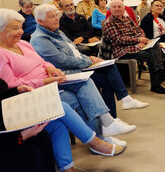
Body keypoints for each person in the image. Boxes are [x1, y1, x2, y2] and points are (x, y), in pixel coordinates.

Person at [0, 9, 130, 168]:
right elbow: (11, 86)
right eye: (15, 28)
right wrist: (44, 81)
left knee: (84, 86)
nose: (21, 31)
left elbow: (43, 61)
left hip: (50, 84)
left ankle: (72, 164)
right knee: (75, 101)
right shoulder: (2, 54)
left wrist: (49, 68)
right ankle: (97, 140)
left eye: (21, 27)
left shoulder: (24, 44)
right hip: (32, 94)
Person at [31, 4, 149, 117]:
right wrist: (88, 61)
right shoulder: (41, 39)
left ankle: (120, 106)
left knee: (109, 65)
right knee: (107, 78)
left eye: (57, 15)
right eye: (52, 17)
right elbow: (63, 61)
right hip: (67, 72)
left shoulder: (57, 32)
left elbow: (74, 51)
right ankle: (116, 111)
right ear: (40, 21)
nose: (57, 19)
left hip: (78, 65)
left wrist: (90, 58)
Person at [0, 80, 125, 172]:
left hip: (18, 107)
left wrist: (16, 90)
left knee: (58, 125)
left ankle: (67, 169)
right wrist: (21, 136)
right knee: (62, 106)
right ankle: (96, 141)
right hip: (11, 123)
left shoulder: (25, 46)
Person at [103, 0, 165, 94]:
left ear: (124, 8)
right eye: (114, 7)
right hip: (121, 50)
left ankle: (160, 72)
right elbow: (118, 40)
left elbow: (140, 30)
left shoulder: (127, 19)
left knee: (155, 44)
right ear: (110, 10)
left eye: (119, 7)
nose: (117, 9)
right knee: (150, 55)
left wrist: (142, 40)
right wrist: (138, 40)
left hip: (135, 46)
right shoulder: (109, 22)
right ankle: (156, 84)